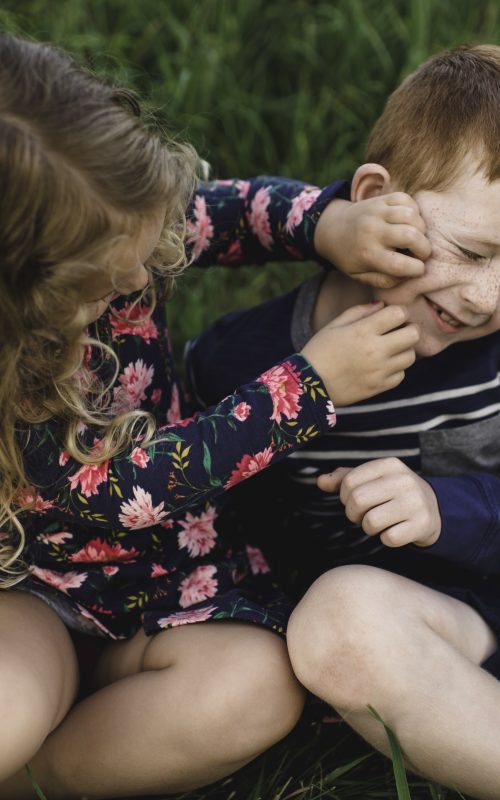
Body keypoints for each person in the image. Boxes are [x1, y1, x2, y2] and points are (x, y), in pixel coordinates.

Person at [0, 33, 430, 800]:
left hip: (183, 582)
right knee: (8, 710)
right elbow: (126, 488)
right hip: (36, 589)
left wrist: (322, 223)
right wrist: (311, 384)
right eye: (106, 281)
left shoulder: (111, 222)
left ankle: (50, 776)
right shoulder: (14, 382)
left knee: (254, 688)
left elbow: (219, 214)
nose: (140, 274)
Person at [185, 45, 500, 800]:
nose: (488, 298)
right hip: (426, 627)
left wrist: (441, 508)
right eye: (470, 251)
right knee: (341, 627)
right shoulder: (238, 366)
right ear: (374, 201)